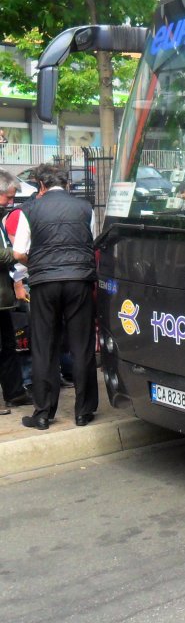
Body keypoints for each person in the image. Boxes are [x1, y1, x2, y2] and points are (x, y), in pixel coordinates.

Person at [13, 163, 98, 430]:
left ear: (41, 185)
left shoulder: (29, 209)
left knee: (44, 346)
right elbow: (90, 242)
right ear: (67, 183)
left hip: (44, 283)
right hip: (79, 281)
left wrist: (38, 262)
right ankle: (83, 412)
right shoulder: (86, 208)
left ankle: (43, 414)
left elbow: (18, 253)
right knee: (82, 345)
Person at [0, 172, 29, 414]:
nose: (11, 202)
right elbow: (7, 253)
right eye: (8, 197)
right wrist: (15, 255)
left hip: (3, 297)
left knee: (8, 346)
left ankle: (14, 393)